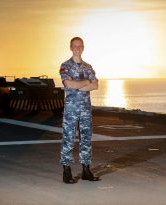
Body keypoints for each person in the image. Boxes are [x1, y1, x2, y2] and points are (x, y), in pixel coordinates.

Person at [59, 37, 99, 184]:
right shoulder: (65, 66)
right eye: (75, 46)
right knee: (69, 139)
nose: (78, 48)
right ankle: (66, 171)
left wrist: (79, 85)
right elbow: (68, 83)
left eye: (80, 46)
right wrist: (86, 82)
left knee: (86, 140)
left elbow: (95, 85)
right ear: (71, 47)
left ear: (83, 48)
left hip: (85, 110)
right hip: (71, 110)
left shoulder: (88, 67)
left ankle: (86, 170)